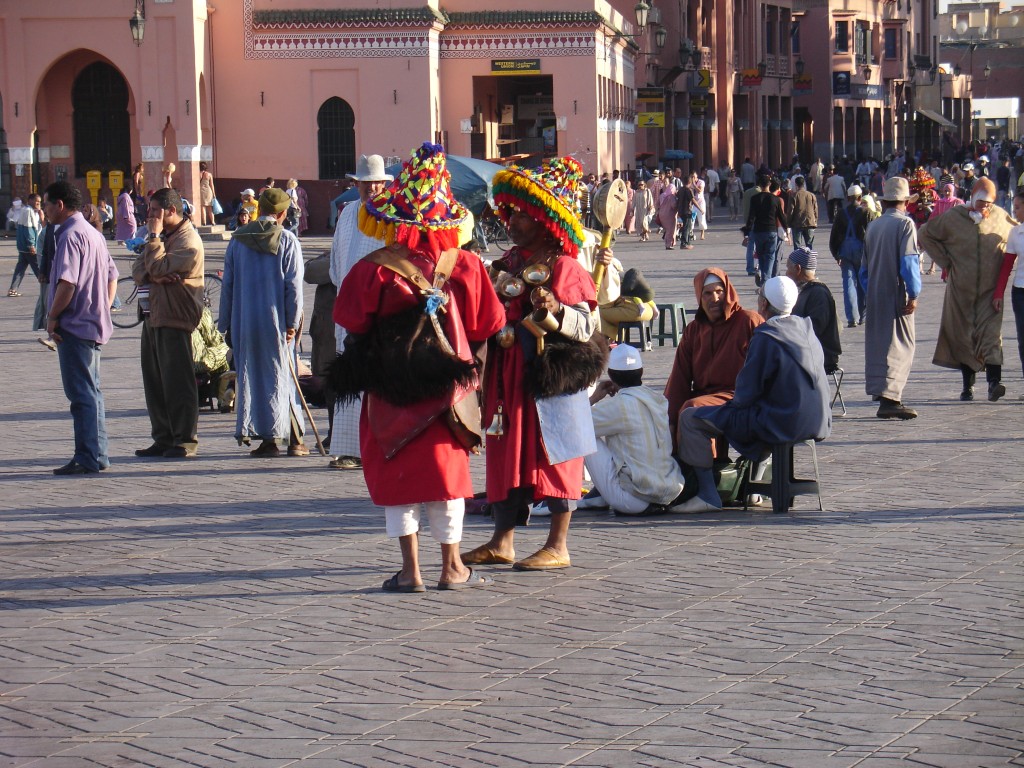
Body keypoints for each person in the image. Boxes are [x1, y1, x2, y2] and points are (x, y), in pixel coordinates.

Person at [333, 142, 505, 591]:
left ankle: (410, 571)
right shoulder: (466, 265)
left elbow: (350, 321)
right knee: (447, 476)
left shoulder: (374, 270)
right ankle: (453, 567)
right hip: (451, 393)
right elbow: (488, 323)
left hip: (391, 391)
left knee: (397, 472)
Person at [462, 156, 602, 572]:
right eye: (510, 212)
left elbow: (585, 326)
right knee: (507, 454)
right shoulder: (510, 264)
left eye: (522, 214)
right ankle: (501, 541)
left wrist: (553, 310)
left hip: (549, 378)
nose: (511, 220)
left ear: (544, 220)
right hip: (509, 376)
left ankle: (558, 545)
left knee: (556, 453)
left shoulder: (565, 267)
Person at [674, 276, 831, 513]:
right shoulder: (806, 329)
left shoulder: (767, 335)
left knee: (690, 417)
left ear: (764, 305)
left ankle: (708, 494)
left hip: (780, 420)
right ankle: (755, 484)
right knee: (739, 413)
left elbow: (746, 394)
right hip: (818, 420)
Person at [219, 187, 308, 456]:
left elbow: (228, 286)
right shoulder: (288, 241)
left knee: (253, 378)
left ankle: (267, 438)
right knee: (283, 377)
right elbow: (294, 288)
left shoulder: (237, 241)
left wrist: (225, 324)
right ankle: (292, 439)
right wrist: (292, 322)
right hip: (276, 322)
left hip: (245, 322)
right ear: (282, 214)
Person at [665, 268, 763, 502]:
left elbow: (765, 367)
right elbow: (679, 378)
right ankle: (692, 482)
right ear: (700, 296)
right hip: (707, 396)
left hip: (740, 397)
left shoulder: (748, 321)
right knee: (675, 410)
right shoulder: (693, 330)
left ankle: (707, 493)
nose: (715, 298)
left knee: (692, 409)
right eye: (708, 293)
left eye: (719, 291)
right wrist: (668, 418)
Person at [42, 180, 119, 475]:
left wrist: (52, 316)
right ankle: (97, 453)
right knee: (92, 391)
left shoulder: (70, 236)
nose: (45, 212)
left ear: (59, 205)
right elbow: (112, 275)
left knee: (81, 394)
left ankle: (87, 456)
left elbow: (67, 283)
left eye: (47, 205)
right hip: (93, 322)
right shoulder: (92, 233)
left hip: (75, 324)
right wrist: (103, 305)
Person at [919, 177, 1015, 402]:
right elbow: (925, 233)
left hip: (991, 292)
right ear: (972, 197)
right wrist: (945, 262)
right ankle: (968, 386)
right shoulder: (954, 217)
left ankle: (994, 383)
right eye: (981, 202)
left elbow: (1018, 234)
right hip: (961, 290)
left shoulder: (1001, 217)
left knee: (991, 336)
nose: (985, 207)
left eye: (989, 203)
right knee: (964, 337)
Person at [327, 154, 393, 470]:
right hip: (349, 307)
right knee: (349, 376)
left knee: (378, 379)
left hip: (379, 310)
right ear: (357, 185)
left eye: (377, 183)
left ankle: (379, 444)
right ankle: (348, 448)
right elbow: (336, 260)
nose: (372, 189)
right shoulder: (348, 213)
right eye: (366, 184)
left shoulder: (392, 216)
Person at [131, 187, 206, 459]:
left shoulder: (188, 241)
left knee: (177, 381)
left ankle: (184, 440)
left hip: (175, 316)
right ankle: (162, 437)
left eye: (154, 211)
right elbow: (139, 268)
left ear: (170, 211)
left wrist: (153, 244)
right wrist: (154, 275)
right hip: (153, 315)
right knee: (154, 381)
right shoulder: (165, 237)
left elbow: (159, 267)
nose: (149, 217)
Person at [582, 344, 684, 515]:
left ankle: (591, 494)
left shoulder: (619, 405)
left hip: (635, 499)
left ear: (611, 375)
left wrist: (593, 398)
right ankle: (600, 494)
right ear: (641, 372)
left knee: (584, 435)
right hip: (667, 492)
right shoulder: (658, 400)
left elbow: (575, 425)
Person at [861, 176, 922, 420]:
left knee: (879, 341)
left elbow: (863, 270)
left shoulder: (873, 226)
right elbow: (909, 263)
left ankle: (881, 390)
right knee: (900, 343)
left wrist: (871, 290)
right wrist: (913, 293)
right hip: (896, 291)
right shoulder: (905, 225)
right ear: (905, 202)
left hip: (875, 290)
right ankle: (891, 397)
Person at [786, 247, 841, 374]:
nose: (787, 273)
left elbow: (815, 328)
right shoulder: (807, 291)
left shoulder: (818, 293)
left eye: (788, 268)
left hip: (818, 355)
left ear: (798, 268)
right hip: (807, 351)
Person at [994, 192, 1024, 389]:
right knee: (1023, 340)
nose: (1015, 211)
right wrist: (998, 293)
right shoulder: (1015, 233)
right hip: (1020, 291)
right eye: (1014, 206)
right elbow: (1006, 266)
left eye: (1018, 207)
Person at [829, 184, 869, 327]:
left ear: (848, 198)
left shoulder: (841, 213)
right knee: (862, 282)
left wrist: (836, 254)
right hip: (861, 252)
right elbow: (870, 234)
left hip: (845, 252)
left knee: (848, 284)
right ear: (860, 197)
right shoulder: (866, 212)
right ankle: (863, 315)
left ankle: (852, 318)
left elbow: (833, 236)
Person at [744, 172, 788, 286]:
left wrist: (747, 233)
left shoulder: (754, 198)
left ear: (759, 184)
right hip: (771, 231)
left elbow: (751, 217)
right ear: (769, 184)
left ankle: (762, 273)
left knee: (760, 254)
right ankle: (766, 279)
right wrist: (786, 229)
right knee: (770, 255)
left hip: (758, 231)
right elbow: (781, 216)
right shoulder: (775, 199)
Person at [9, 193, 42, 296]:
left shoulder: (30, 211)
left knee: (20, 268)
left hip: (23, 247)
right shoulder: (28, 211)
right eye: (37, 201)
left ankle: (13, 289)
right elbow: (29, 229)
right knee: (38, 268)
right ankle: (47, 288)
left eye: (40, 202)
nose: (38, 204)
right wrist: (31, 244)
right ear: (30, 201)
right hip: (28, 247)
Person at [789, 176, 818, 249]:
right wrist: (815, 221)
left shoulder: (794, 195)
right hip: (810, 222)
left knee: (797, 246)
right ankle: (809, 260)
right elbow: (815, 209)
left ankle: (798, 260)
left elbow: (790, 211)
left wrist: (788, 223)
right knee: (809, 246)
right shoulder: (811, 195)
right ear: (804, 183)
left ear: (796, 184)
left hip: (797, 223)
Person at [658, 182, 678, 249]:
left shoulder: (663, 195)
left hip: (662, 214)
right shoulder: (671, 196)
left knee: (667, 230)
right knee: (670, 230)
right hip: (669, 215)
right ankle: (669, 244)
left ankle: (667, 243)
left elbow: (658, 204)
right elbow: (674, 205)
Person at [198, 161, 216, 226]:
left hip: (201, 191)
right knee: (209, 207)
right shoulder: (209, 174)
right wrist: (214, 194)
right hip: (208, 191)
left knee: (202, 207)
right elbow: (212, 185)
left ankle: (204, 222)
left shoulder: (197, 174)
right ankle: (213, 221)